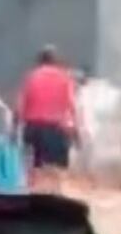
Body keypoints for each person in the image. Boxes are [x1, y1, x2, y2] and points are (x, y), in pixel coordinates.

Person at [17, 45, 79, 184]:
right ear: (55, 61)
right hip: (55, 129)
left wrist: (14, 128)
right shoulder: (64, 78)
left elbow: (21, 105)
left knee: (33, 169)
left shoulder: (31, 76)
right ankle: (52, 199)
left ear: (39, 60)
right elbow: (72, 106)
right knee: (55, 171)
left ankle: (32, 195)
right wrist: (76, 132)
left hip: (33, 129)